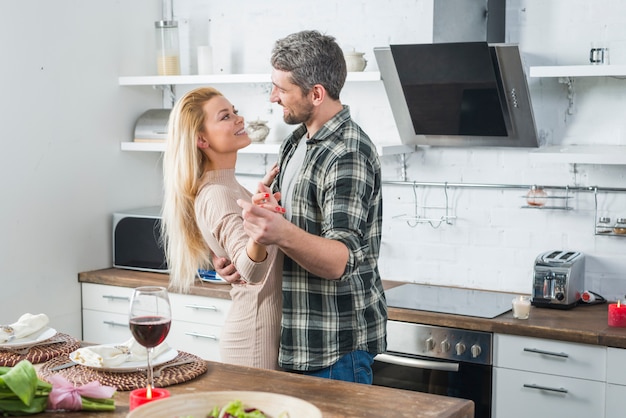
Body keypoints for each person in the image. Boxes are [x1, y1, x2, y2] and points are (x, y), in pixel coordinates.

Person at [220, 30, 387, 384]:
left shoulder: (347, 153)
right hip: (300, 341)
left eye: (282, 89)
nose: (273, 97)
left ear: (316, 94)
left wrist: (280, 232)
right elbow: (285, 227)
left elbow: (339, 259)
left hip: (335, 347)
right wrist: (249, 247)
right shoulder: (298, 141)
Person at [160, 86, 284, 370]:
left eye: (235, 112)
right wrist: (261, 221)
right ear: (201, 139)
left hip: (262, 332)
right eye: (225, 116)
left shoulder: (229, 185)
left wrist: (262, 202)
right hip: (255, 339)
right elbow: (251, 270)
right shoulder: (217, 192)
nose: (239, 119)